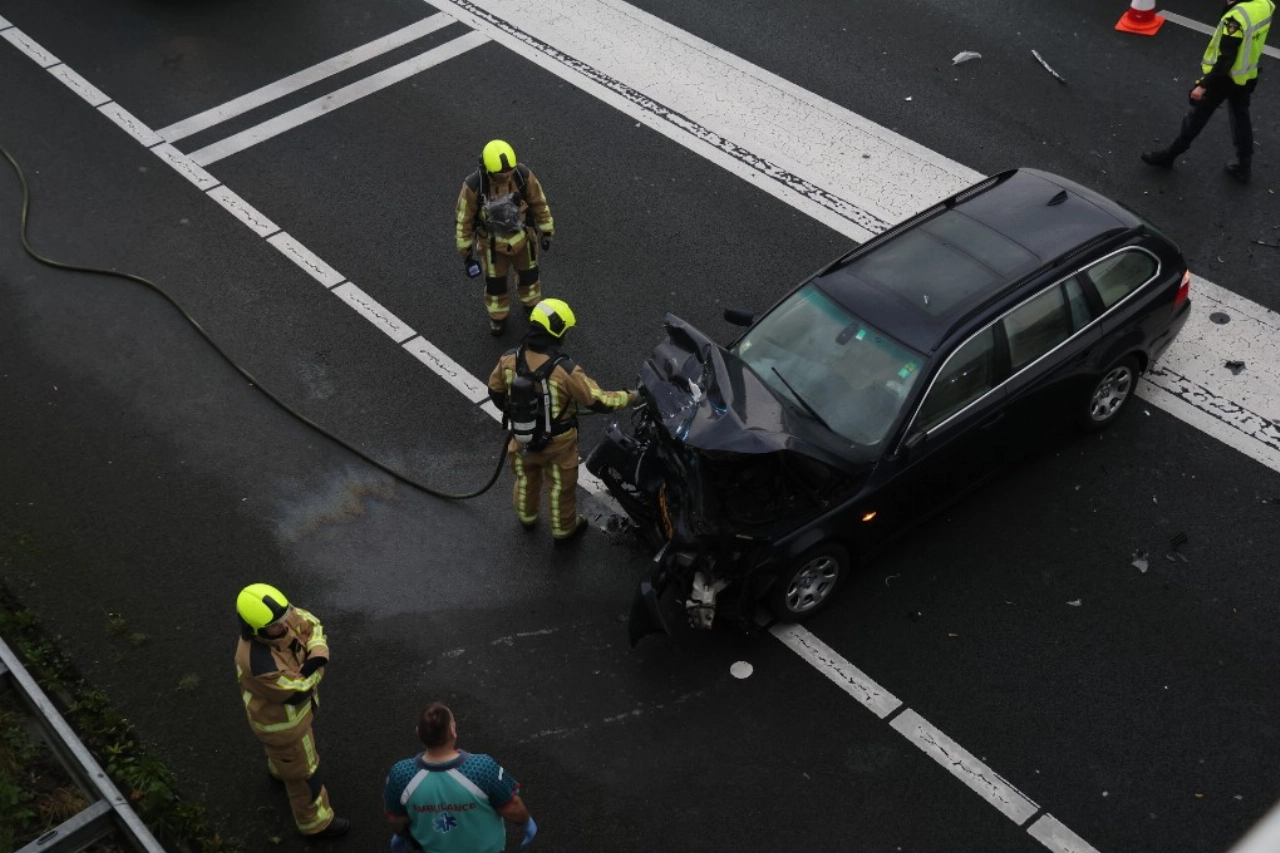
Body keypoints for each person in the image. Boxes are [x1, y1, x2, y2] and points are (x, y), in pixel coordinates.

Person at [487, 298, 637, 543]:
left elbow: (495, 391)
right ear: (557, 332)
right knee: (561, 489)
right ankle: (563, 530)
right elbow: (600, 401)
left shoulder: (509, 359)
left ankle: (526, 517)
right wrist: (633, 396)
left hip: (522, 439)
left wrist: (516, 414)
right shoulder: (566, 371)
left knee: (525, 479)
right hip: (559, 445)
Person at [234, 583, 349, 838]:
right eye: (276, 624)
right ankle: (316, 824)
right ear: (256, 630)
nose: (285, 623)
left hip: (283, 722)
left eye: (285, 614)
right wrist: (317, 668)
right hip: (285, 730)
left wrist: (316, 655)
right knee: (306, 776)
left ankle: (280, 770)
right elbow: (297, 691)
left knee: (285, 760)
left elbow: (311, 623)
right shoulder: (259, 663)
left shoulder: (277, 617)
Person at [1142, 0, 1274, 182]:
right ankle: (1244, 165)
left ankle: (1170, 155)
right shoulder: (1265, 4)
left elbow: (1226, 59)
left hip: (1225, 78)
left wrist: (1203, 85)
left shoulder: (1237, 18)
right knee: (1240, 117)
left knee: (1196, 118)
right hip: (1247, 74)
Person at [383, 702, 536, 852]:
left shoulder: (401, 774)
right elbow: (512, 808)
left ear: (418, 732)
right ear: (452, 731)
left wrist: (400, 835)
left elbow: (397, 819)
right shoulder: (482, 768)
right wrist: (526, 821)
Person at [456, 140, 555, 335]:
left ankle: (532, 306)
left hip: (523, 239)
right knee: (496, 285)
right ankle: (498, 317)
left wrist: (547, 230)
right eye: (501, 174)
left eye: (509, 171)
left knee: (530, 277)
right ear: (488, 170)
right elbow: (463, 221)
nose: (506, 176)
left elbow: (538, 202)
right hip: (493, 247)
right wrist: (466, 254)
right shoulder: (474, 186)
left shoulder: (522, 175)